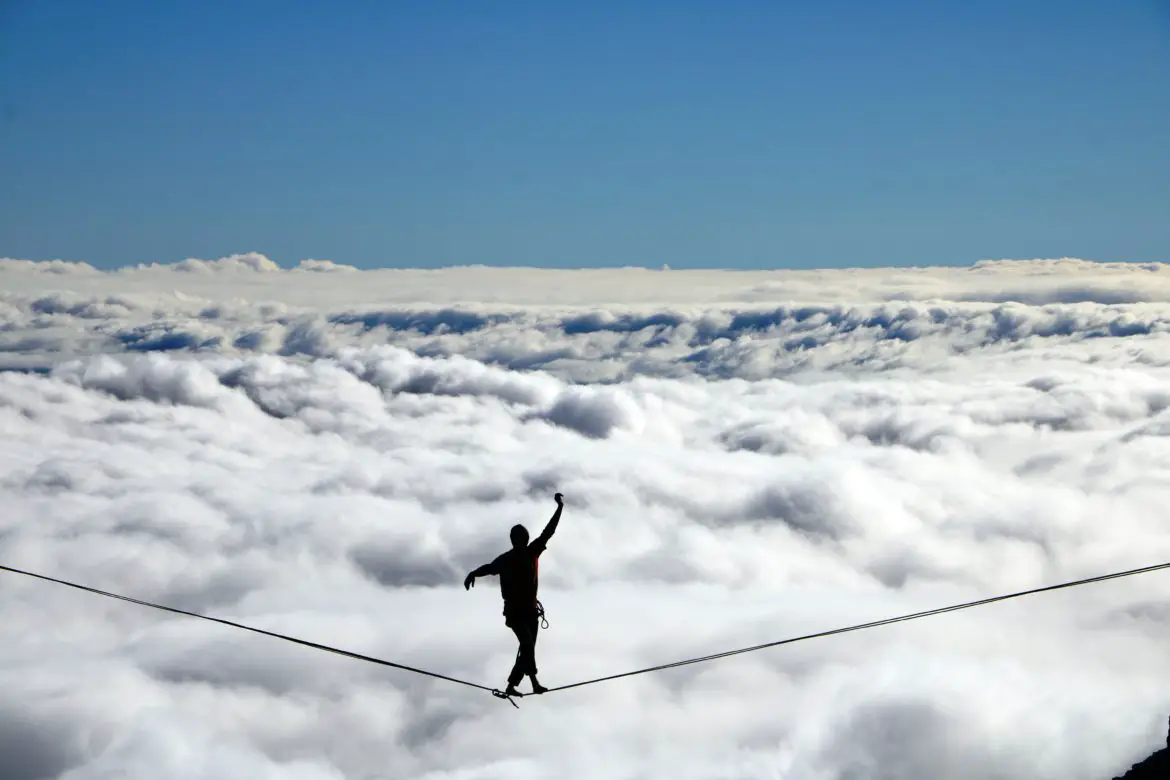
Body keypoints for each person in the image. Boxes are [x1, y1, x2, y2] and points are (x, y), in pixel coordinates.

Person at [464, 492, 564, 697]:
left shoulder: (529, 552)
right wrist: (474, 573)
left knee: (528, 649)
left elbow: (549, 531)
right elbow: (489, 567)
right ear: (514, 541)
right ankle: (533, 681)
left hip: (529, 612)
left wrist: (559, 509)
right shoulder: (512, 558)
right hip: (516, 613)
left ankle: (514, 685)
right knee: (527, 645)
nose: (520, 542)